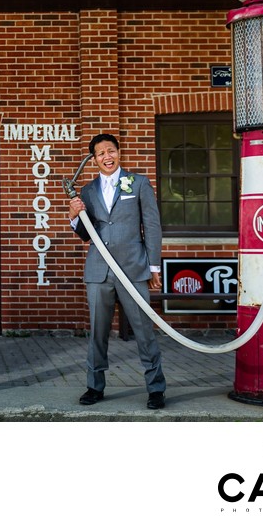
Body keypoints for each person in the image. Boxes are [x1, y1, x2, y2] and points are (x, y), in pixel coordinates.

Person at [68, 133, 167, 410]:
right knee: (98, 332)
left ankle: (156, 388)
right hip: (99, 271)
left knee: (144, 330)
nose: (106, 157)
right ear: (94, 159)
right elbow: (86, 236)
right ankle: (94, 386)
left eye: (110, 151)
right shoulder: (87, 191)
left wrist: (154, 266)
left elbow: (153, 226)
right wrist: (73, 215)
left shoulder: (139, 183)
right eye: (100, 153)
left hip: (133, 269)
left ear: (118, 152)